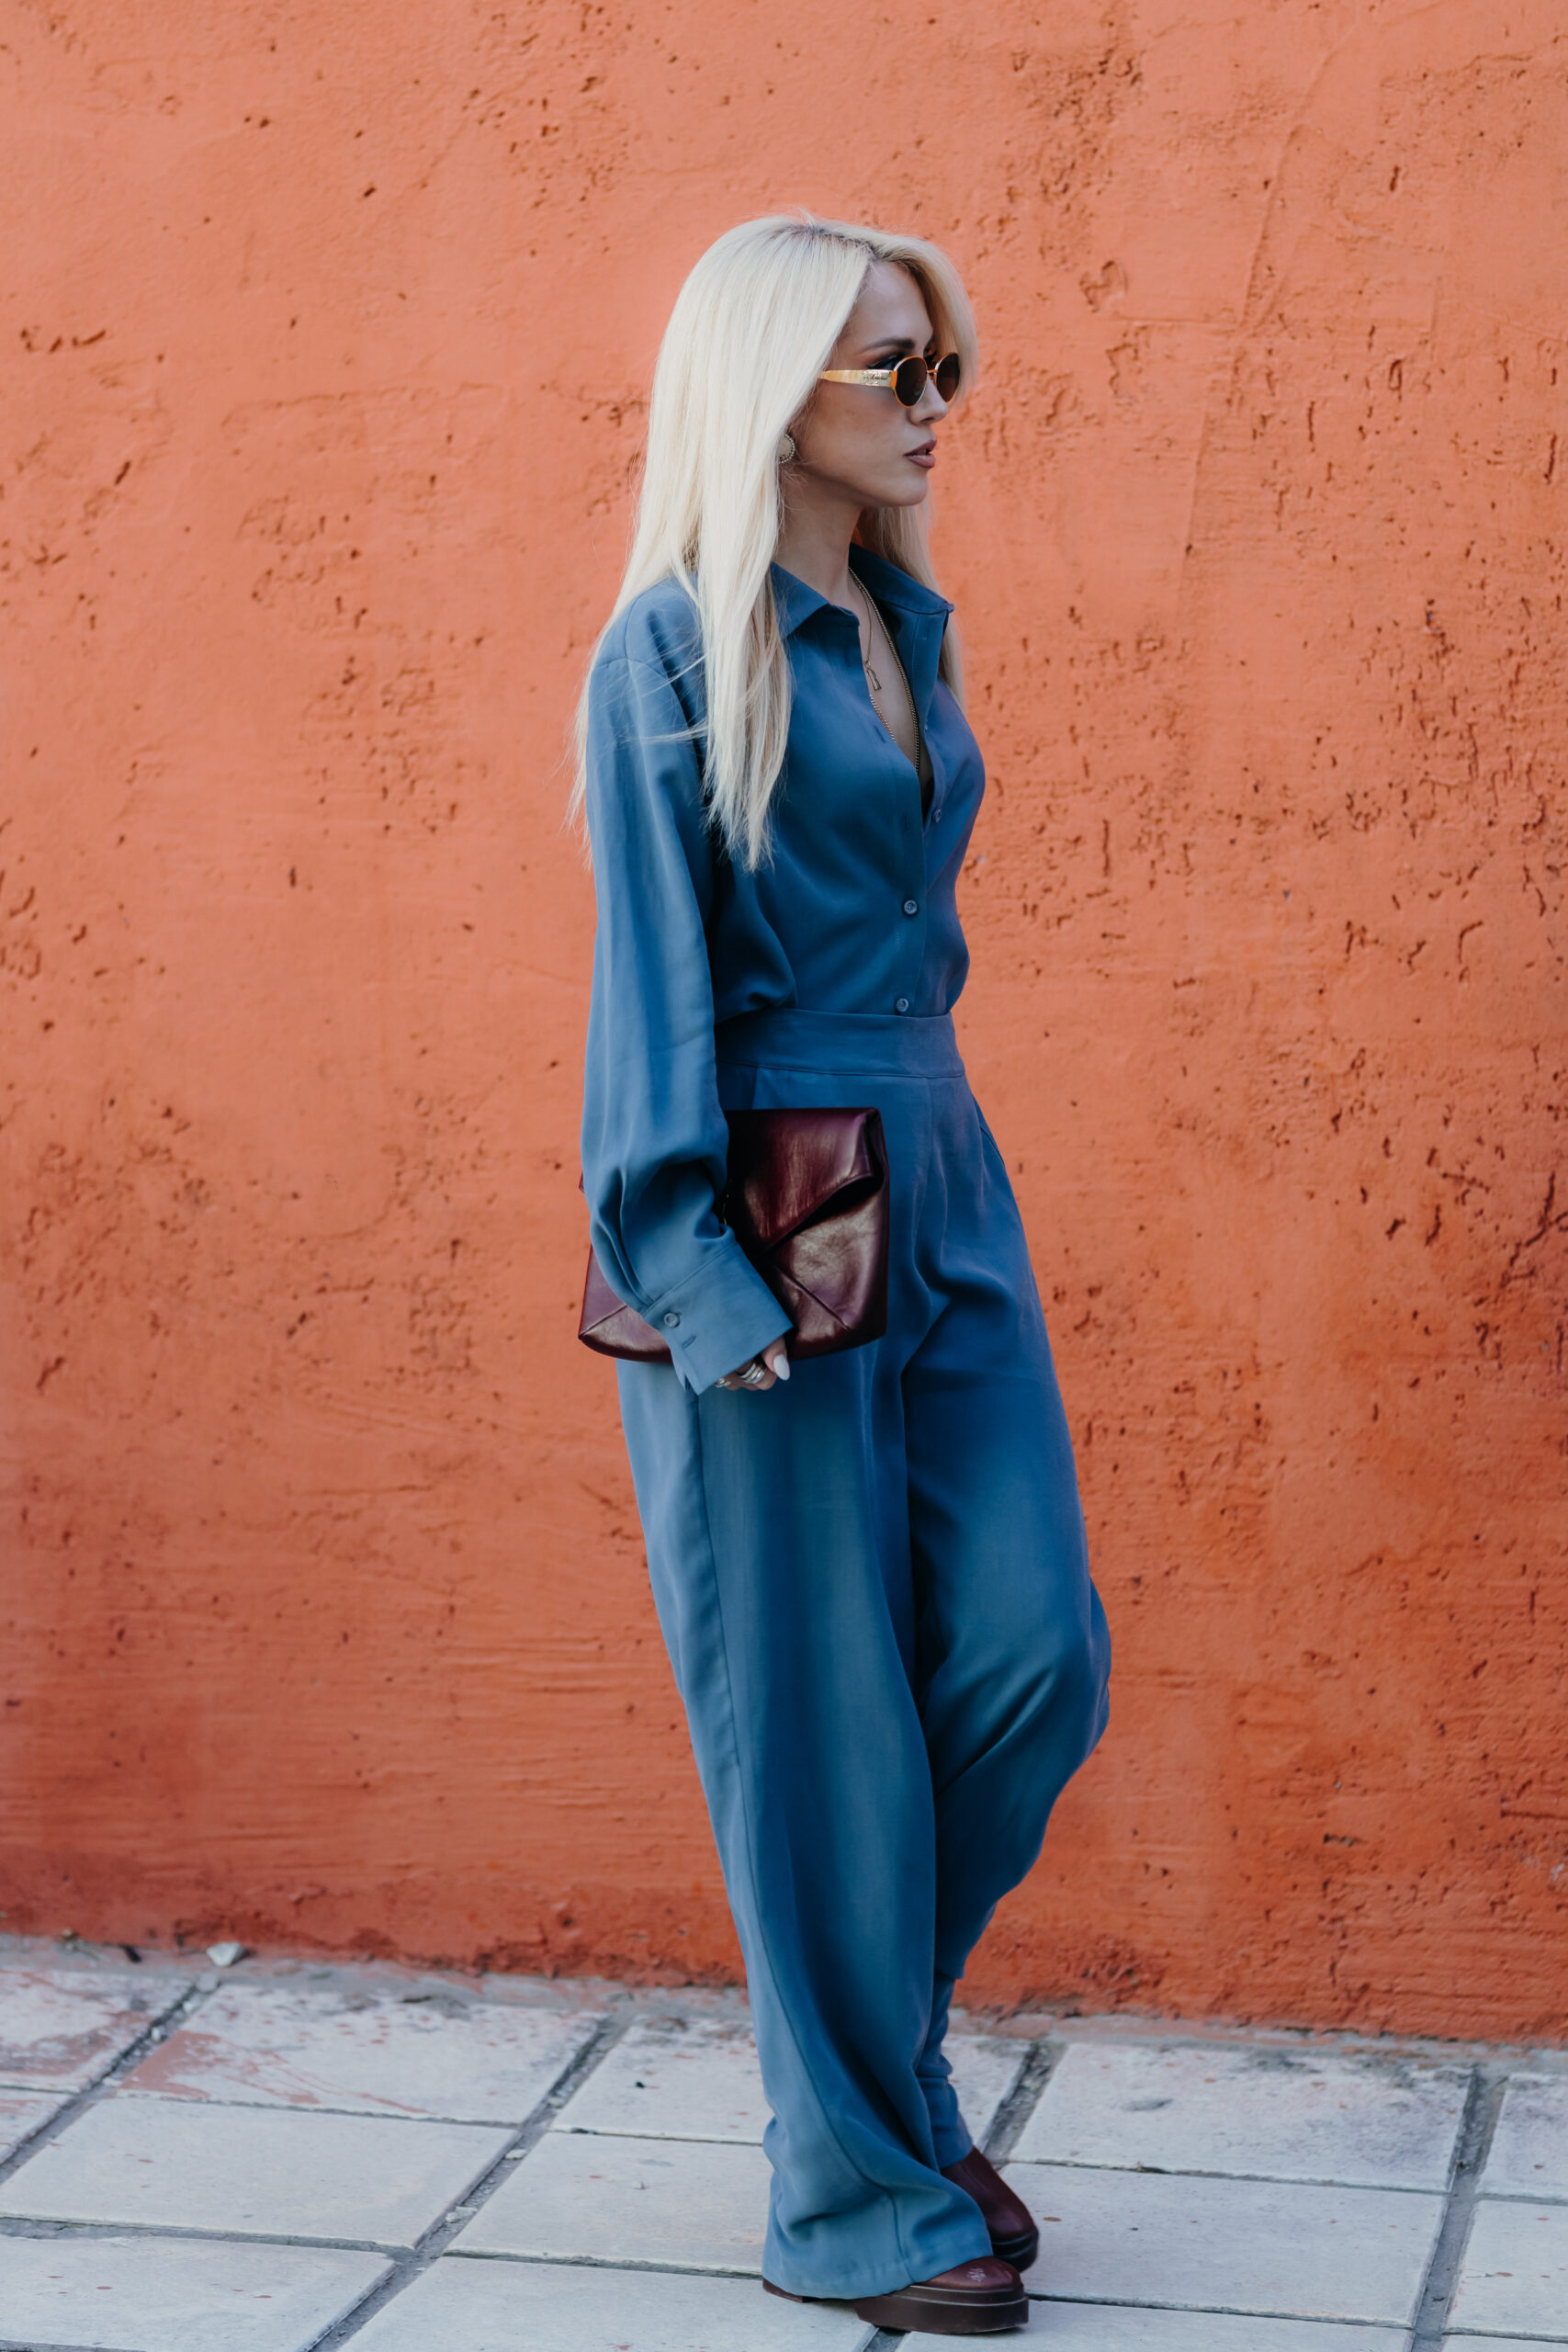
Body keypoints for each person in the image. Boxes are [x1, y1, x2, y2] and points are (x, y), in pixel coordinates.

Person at [575, 211, 1111, 2336]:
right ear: (770, 391)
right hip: (767, 1204)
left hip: (940, 1166)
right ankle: (856, 2191)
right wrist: (696, 1275)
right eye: (891, 366)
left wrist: (940, 1177)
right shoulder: (670, 654)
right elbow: (645, 987)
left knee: (1030, 1653)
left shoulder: (902, 622)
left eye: (939, 363)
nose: (928, 403)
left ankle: (880, 2083)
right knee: (811, 1734)